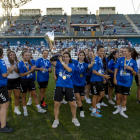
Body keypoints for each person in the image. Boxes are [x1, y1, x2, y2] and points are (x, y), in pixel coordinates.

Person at [50, 52, 80, 128]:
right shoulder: (59, 64)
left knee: (73, 105)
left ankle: (74, 118)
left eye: (67, 57)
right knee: (56, 104)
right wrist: (57, 56)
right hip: (59, 86)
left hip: (68, 86)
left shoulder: (71, 65)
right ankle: (56, 119)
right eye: (64, 57)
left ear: (69, 58)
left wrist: (62, 62)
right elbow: (51, 60)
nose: (65, 58)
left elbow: (69, 70)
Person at [18, 51, 46, 116]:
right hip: (23, 80)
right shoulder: (20, 63)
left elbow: (32, 71)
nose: (27, 56)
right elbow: (21, 75)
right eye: (26, 55)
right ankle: (25, 110)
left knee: (35, 95)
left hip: (30, 80)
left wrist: (33, 70)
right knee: (24, 96)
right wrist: (31, 70)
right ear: (22, 56)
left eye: (28, 55)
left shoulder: (30, 63)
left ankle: (39, 108)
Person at [113, 47, 138, 118]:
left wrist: (131, 69)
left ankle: (122, 110)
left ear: (130, 52)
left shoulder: (133, 62)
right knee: (118, 96)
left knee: (124, 97)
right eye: (123, 51)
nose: (124, 52)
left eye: (125, 51)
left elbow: (135, 73)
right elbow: (116, 69)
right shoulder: (120, 59)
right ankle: (118, 108)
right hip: (119, 81)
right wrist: (114, 78)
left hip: (127, 82)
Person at [72, 51, 95, 117]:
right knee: (78, 98)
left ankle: (77, 103)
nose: (81, 56)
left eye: (82, 55)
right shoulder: (75, 62)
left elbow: (91, 65)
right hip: (75, 83)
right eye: (80, 55)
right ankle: (82, 111)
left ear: (84, 57)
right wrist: (69, 50)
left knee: (81, 99)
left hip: (82, 84)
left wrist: (93, 58)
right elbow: (68, 57)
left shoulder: (85, 64)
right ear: (78, 56)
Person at [90, 45, 110, 117]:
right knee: (95, 96)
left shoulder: (100, 58)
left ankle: (93, 107)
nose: (102, 52)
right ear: (97, 51)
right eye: (101, 51)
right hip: (95, 80)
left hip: (100, 79)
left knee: (102, 94)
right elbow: (94, 71)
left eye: (103, 51)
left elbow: (100, 70)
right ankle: (93, 111)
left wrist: (103, 78)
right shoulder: (96, 59)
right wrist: (104, 76)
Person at [0, 48, 14, 132]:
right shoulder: (1, 62)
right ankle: (3, 126)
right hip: (1, 86)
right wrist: (10, 70)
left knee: (1, 105)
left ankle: (1, 122)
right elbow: (4, 75)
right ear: (1, 54)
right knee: (5, 105)